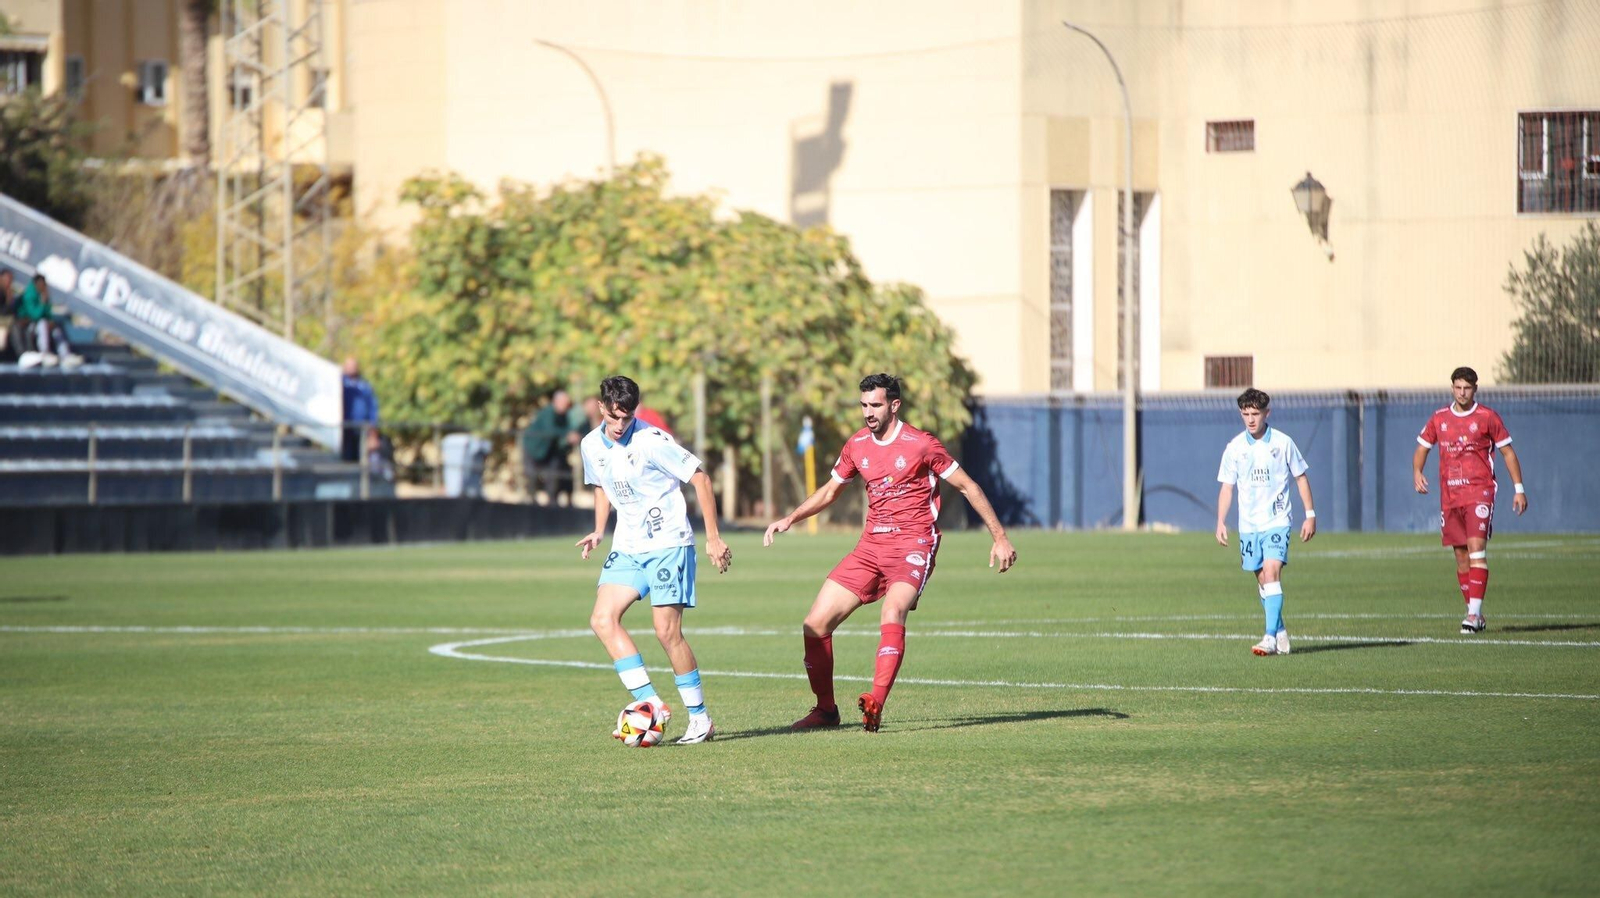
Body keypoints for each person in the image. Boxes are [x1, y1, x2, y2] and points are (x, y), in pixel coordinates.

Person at [763, 373, 1018, 733]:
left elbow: (967, 486)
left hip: (914, 544)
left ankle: (875, 703)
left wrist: (1000, 537)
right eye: (864, 404)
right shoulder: (856, 446)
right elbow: (830, 491)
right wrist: (791, 518)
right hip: (870, 547)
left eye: (876, 405)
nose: (868, 412)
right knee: (815, 623)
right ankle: (825, 711)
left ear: (894, 405)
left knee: (893, 609)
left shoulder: (921, 444)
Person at [577, 375, 733, 745]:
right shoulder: (589, 445)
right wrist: (599, 530)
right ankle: (650, 702)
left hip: (668, 544)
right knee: (602, 619)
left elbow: (702, 480)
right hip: (629, 546)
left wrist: (713, 538)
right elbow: (600, 485)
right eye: (614, 417)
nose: (619, 426)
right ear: (601, 408)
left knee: (666, 632)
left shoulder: (652, 441)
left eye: (626, 418)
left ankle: (700, 720)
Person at [1413, 366, 1528, 634]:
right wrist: (1417, 472)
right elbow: (1421, 448)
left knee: (1477, 548)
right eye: (1458, 387)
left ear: (1475, 389)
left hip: (1480, 491)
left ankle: (1474, 616)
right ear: (1452, 388)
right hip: (1450, 496)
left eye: (1467, 388)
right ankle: (1473, 612)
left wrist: (1519, 488)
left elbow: (1508, 453)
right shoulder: (1439, 418)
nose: (1462, 392)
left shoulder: (1487, 417)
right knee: (1461, 556)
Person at [1214, 388, 1316, 656]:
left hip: (1277, 520)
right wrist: (1221, 521)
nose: (1250, 419)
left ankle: (1269, 637)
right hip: (1248, 526)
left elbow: (1301, 477)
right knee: (1262, 581)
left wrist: (1310, 515)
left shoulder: (1282, 443)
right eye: (1245, 414)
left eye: (1255, 414)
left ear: (1266, 413)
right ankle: (1279, 628)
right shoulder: (1234, 448)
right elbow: (1227, 487)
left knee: (1272, 573)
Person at [521, 389, 584, 506]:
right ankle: (531, 501)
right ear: (556, 402)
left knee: (553, 473)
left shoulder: (563, 416)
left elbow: (565, 430)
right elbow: (551, 430)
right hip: (533, 448)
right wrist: (568, 434)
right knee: (532, 476)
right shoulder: (547, 412)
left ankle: (552, 501)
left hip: (548, 451)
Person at [16, 274, 82, 369]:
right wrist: (42, 303)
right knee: (42, 325)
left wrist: (50, 321)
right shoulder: (29, 296)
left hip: (41, 322)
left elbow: (48, 313)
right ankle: (45, 353)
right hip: (28, 325)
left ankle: (65, 355)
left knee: (56, 330)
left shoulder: (44, 294)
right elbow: (34, 315)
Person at [341, 357, 379, 463]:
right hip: (345, 429)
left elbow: (372, 408)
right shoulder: (340, 384)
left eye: (353, 365)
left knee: (362, 459)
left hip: (362, 429)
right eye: (349, 365)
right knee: (346, 460)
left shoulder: (365, 385)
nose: (351, 368)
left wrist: (373, 431)